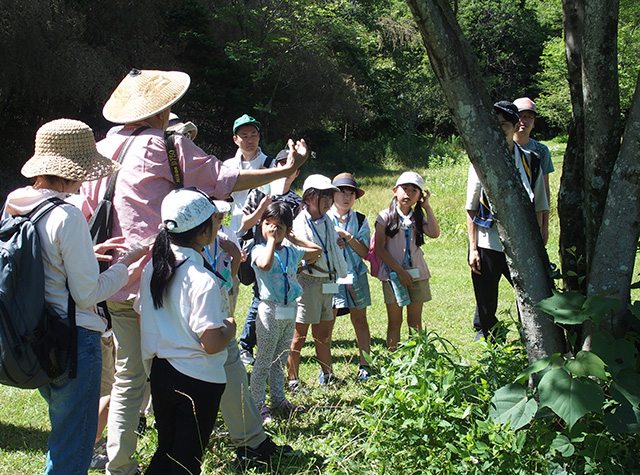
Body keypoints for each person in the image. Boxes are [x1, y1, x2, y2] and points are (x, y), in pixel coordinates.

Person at [78, 69, 307, 475]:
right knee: (225, 356)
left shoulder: (103, 148)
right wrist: (285, 170)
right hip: (171, 276)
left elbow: (87, 214)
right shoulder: (165, 144)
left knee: (130, 377)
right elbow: (224, 180)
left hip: (118, 280)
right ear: (163, 109)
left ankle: (121, 465)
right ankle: (252, 442)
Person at [2, 118, 148, 475]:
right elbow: (88, 294)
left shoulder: (15, 203)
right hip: (73, 342)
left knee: (62, 437)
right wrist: (126, 264)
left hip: (32, 337)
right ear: (76, 169)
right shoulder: (67, 214)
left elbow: (42, 258)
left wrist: (87, 251)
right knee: (72, 449)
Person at [137, 188, 236, 474]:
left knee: (166, 450)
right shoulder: (202, 279)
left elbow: (140, 311)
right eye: (215, 222)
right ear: (204, 234)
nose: (219, 225)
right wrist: (229, 328)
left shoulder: (153, 269)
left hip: (161, 373)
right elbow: (211, 343)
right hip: (198, 379)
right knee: (187, 460)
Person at [466, 101, 549, 342]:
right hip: (488, 241)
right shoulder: (480, 160)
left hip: (523, 242)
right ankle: (490, 335)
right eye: (496, 124)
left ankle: (531, 334)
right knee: (486, 296)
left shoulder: (531, 160)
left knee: (530, 293)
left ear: (515, 126)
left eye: (504, 124)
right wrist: (473, 248)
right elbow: (471, 208)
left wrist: (540, 233)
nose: (500, 128)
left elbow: (540, 203)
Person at [250, 202, 321, 423]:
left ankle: (279, 400)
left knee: (280, 359)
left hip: (290, 309)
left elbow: (317, 252)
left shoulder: (292, 251)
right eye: (268, 224)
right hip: (270, 310)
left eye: (279, 226)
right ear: (261, 225)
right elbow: (265, 265)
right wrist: (271, 240)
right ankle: (258, 405)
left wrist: (293, 238)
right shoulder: (259, 249)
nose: (273, 229)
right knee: (264, 360)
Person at [237, 149, 302, 366]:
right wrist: (262, 209)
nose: (284, 170)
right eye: (280, 164)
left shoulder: (296, 201)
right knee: (260, 297)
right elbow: (244, 225)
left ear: (295, 173)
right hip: (260, 253)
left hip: (285, 257)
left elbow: (296, 232)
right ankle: (246, 345)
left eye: (289, 166)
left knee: (278, 297)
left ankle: (273, 344)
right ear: (274, 168)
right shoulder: (259, 192)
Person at [287, 174, 348, 390]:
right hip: (308, 282)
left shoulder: (328, 221)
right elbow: (304, 253)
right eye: (325, 196)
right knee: (299, 335)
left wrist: (336, 243)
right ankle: (293, 379)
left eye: (331, 196)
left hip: (327, 281)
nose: (329, 201)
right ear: (310, 197)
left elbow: (329, 246)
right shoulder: (298, 223)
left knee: (323, 334)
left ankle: (328, 374)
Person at [373, 171, 440, 351]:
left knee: (415, 322)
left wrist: (427, 207)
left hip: (418, 275)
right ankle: (394, 360)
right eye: (405, 188)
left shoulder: (417, 216)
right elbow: (379, 248)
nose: (408, 193)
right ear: (395, 190)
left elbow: (434, 233)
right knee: (395, 322)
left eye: (414, 191)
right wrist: (400, 272)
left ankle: (415, 361)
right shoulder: (384, 216)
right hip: (392, 277)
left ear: (419, 196)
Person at [326, 173, 373, 381]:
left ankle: (365, 365)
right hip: (330, 278)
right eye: (342, 193)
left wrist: (348, 237)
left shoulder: (361, 219)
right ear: (332, 195)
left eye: (351, 193)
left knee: (360, 320)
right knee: (327, 322)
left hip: (356, 276)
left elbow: (365, 252)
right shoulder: (323, 218)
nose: (346, 197)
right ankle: (326, 370)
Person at [513, 97, 554, 244]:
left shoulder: (541, 151)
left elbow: (545, 189)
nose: (525, 120)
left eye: (529, 117)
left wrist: (544, 226)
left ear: (534, 122)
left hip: (533, 212)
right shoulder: (503, 148)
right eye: (521, 116)